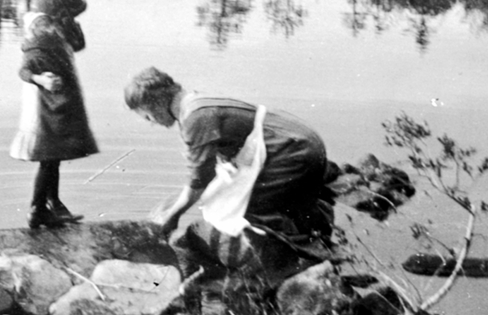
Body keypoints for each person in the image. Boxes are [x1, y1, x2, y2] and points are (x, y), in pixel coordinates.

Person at [124, 67, 335, 276]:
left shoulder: (194, 117)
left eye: (148, 117)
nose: (152, 124)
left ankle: (282, 267)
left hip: (295, 150)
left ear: (157, 103)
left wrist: (173, 215)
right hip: (303, 141)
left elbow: (199, 180)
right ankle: (313, 235)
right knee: (259, 199)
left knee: (245, 206)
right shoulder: (195, 101)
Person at [10, 0, 99, 229]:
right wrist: (41, 79)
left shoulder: (57, 31)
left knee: (53, 159)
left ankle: (53, 204)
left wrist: (71, 24)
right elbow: (24, 70)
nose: (73, 19)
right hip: (44, 109)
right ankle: (38, 210)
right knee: (48, 159)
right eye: (70, 15)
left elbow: (78, 45)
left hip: (57, 105)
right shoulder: (39, 36)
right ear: (59, 14)